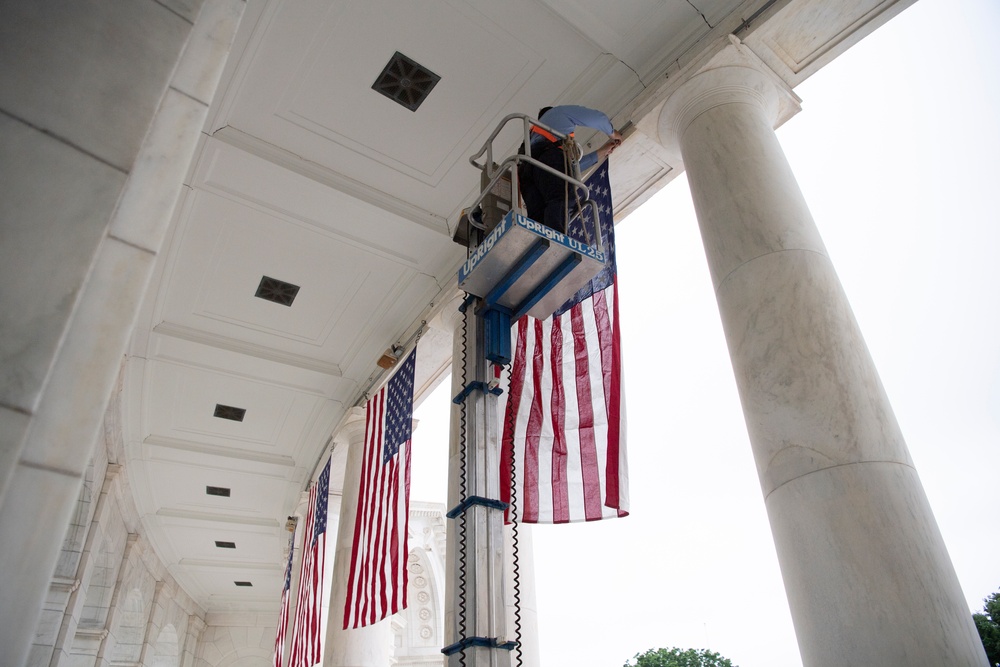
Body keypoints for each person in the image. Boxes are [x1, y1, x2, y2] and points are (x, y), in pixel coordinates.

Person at [518, 105, 622, 234]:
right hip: (548, 160)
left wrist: (602, 152)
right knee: (562, 199)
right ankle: (556, 241)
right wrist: (613, 133)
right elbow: (598, 118)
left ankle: (540, 245)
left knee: (538, 216)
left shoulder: (531, 140)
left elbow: (572, 168)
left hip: (526, 174)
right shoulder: (557, 113)